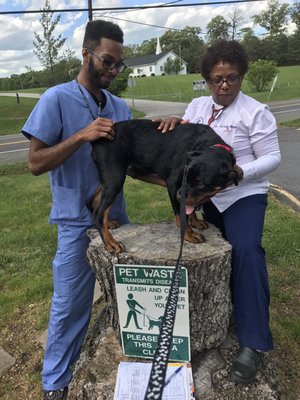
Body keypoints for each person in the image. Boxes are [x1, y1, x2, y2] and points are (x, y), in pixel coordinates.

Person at [158, 39, 281, 385]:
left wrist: (241, 172)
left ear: (241, 76)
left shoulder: (256, 112)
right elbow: (185, 141)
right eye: (216, 79)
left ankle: (253, 342)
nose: (224, 85)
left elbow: (273, 157)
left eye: (232, 78)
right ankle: (217, 316)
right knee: (212, 257)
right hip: (207, 197)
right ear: (207, 79)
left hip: (243, 194)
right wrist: (173, 123)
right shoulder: (197, 106)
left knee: (245, 250)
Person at [22, 20, 131, 400]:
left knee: (129, 297)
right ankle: (55, 383)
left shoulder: (118, 106)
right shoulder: (55, 98)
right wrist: (81, 135)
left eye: (119, 65)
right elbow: (35, 162)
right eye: (107, 61)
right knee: (70, 305)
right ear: (86, 54)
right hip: (75, 223)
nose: (113, 70)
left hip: (117, 220)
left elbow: (135, 161)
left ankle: (130, 358)